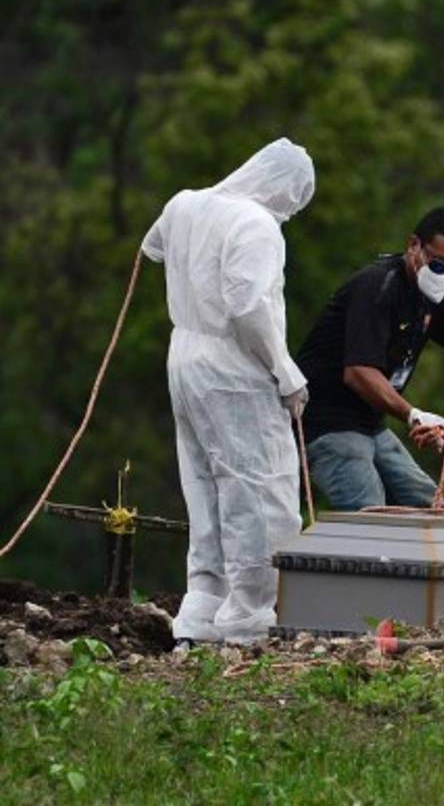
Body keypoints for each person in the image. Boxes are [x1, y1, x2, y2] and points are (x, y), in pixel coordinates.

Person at [141, 137, 315, 644]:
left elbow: (151, 247)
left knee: (205, 485)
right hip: (233, 367)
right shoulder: (257, 225)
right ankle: (248, 618)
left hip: (185, 356)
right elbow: (248, 308)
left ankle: (201, 612)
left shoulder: (185, 203)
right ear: (286, 191)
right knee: (259, 488)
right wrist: (286, 372)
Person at [296, 208, 444, 510]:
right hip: (327, 423)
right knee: (372, 513)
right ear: (413, 246)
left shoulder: (428, 293)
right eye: (439, 265)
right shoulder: (378, 285)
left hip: (370, 424)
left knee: (434, 508)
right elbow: (358, 372)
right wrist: (413, 415)